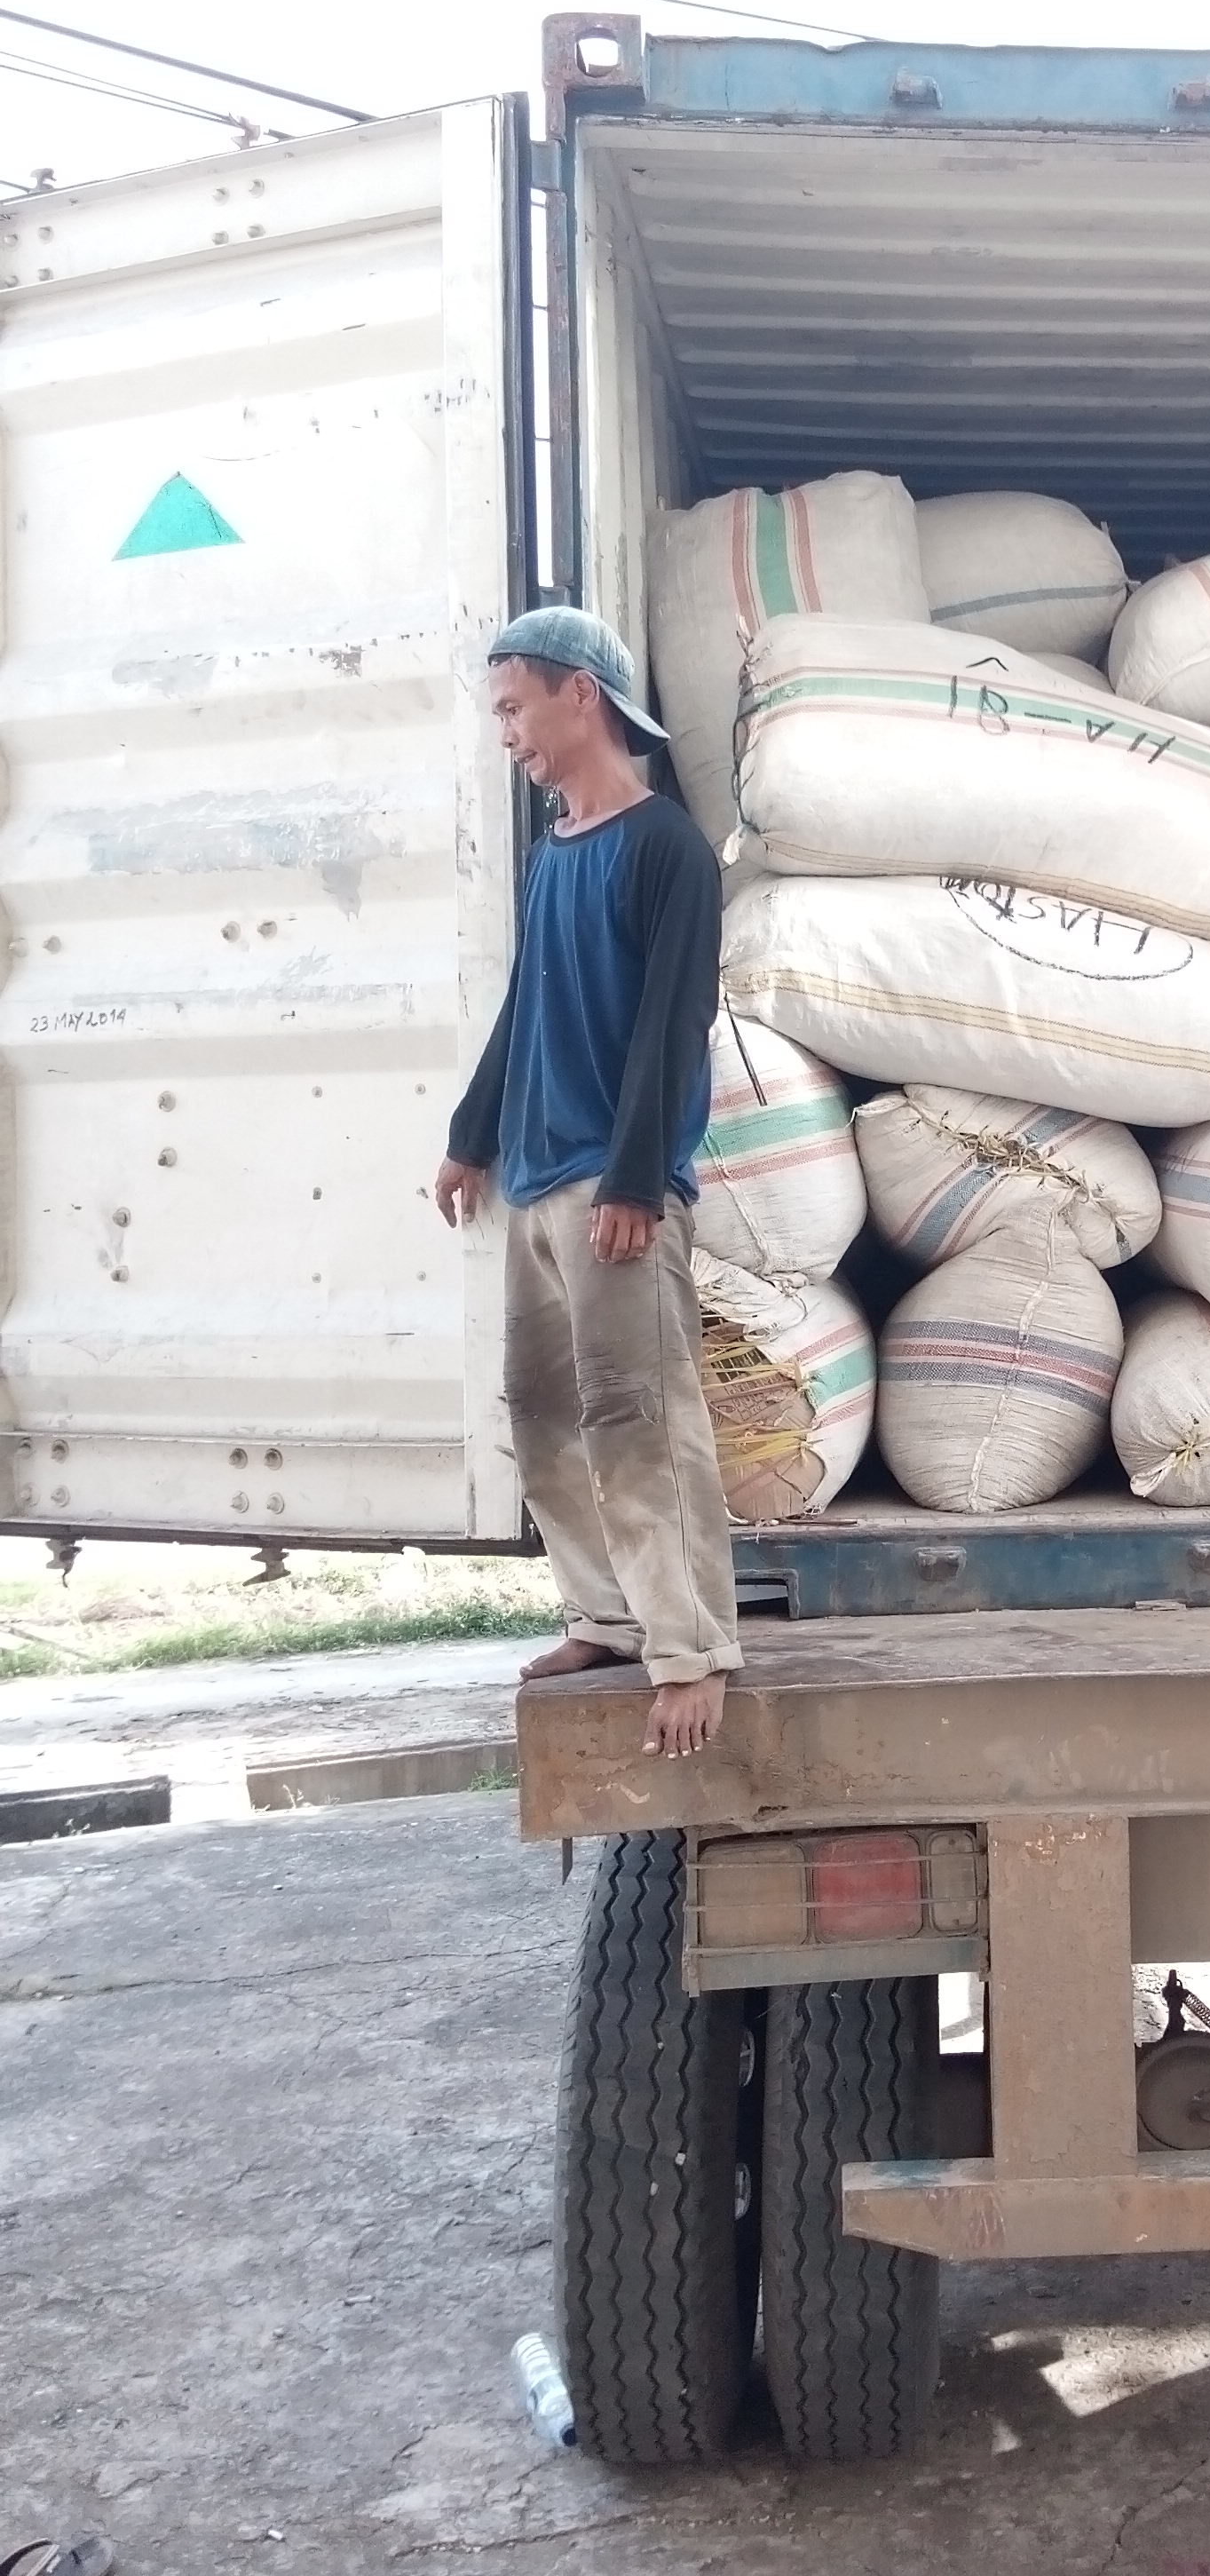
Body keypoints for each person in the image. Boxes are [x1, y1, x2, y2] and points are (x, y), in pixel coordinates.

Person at [433, 608, 739, 1758]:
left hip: (615, 1187)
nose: (506, 732)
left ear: (582, 696)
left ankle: (692, 1650)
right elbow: (529, 1003)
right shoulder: (555, 848)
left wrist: (637, 1178)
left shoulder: (668, 850)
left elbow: (673, 1023)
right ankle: (605, 1621)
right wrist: (472, 1134)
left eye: (514, 707)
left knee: (639, 1419)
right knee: (543, 1411)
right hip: (536, 1180)